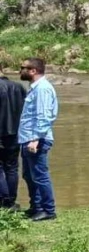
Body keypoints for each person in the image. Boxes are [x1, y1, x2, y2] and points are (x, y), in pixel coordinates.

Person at [18, 58, 57, 221]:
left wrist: (36, 139)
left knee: (40, 176)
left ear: (33, 71)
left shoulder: (42, 89)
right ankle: (36, 207)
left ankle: (48, 210)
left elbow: (44, 116)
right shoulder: (35, 88)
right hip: (28, 138)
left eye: (23, 68)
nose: (20, 71)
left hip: (36, 139)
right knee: (29, 175)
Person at [0, 68, 23, 211]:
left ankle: (4, 200)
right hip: (15, 134)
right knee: (12, 168)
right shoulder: (19, 87)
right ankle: (11, 201)